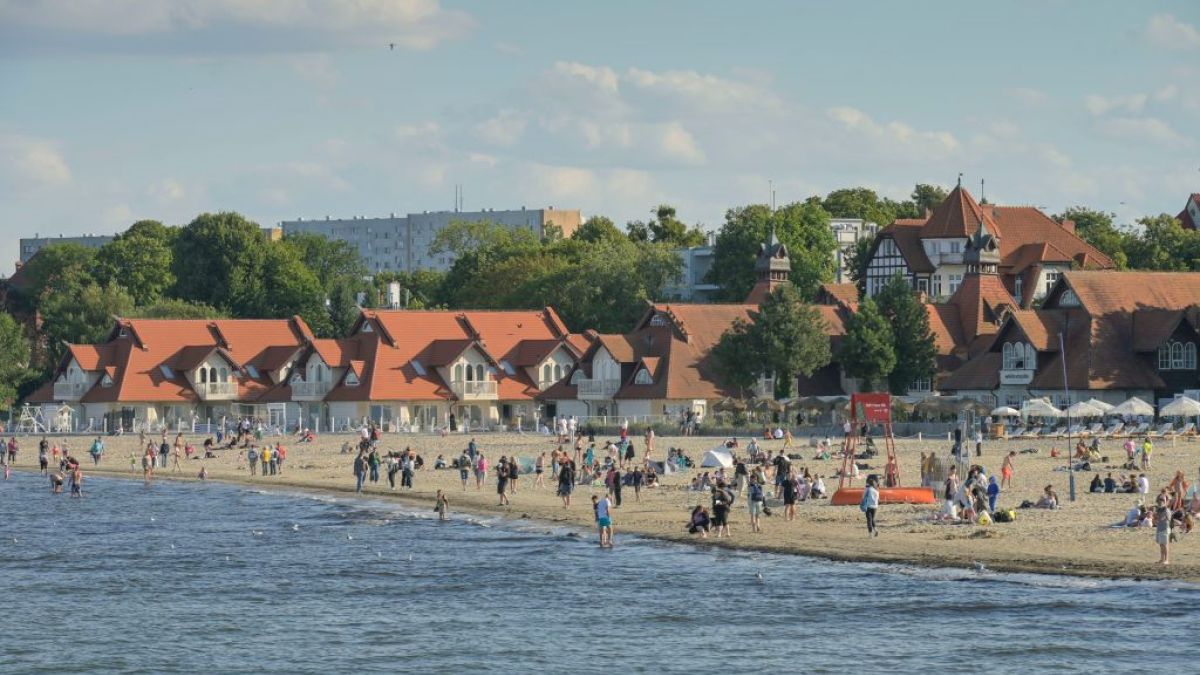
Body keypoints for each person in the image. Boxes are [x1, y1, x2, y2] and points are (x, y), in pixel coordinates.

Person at [1155, 496, 1172, 564]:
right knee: (1161, 544)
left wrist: (1163, 519)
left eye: (1162, 500)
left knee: (1165, 544)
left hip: (1165, 528)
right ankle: (1162, 559)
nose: (1161, 501)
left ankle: (1166, 560)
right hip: (1159, 528)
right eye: (1160, 500)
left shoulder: (1167, 510)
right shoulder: (1159, 510)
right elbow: (1157, 518)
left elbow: (1169, 519)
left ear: (1165, 501)